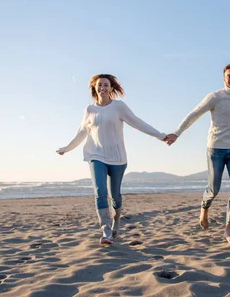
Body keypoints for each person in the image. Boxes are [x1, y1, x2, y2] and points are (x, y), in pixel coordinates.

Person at [57, 74, 169, 246]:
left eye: (106, 85)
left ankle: (116, 219)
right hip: (96, 155)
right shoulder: (89, 110)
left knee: (115, 195)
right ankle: (106, 230)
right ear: (94, 88)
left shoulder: (118, 107)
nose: (102, 88)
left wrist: (161, 136)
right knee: (100, 191)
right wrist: (67, 148)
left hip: (117, 158)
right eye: (99, 85)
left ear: (111, 88)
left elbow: (138, 123)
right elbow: (81, 132)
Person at [165, 64, 230, 245]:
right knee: (214, 189)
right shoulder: (215, 97)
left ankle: (228, 230)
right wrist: (177, 133)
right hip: (216, 149)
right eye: (228, 76)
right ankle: (204, 208)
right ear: (223, 78)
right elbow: (194, 114)